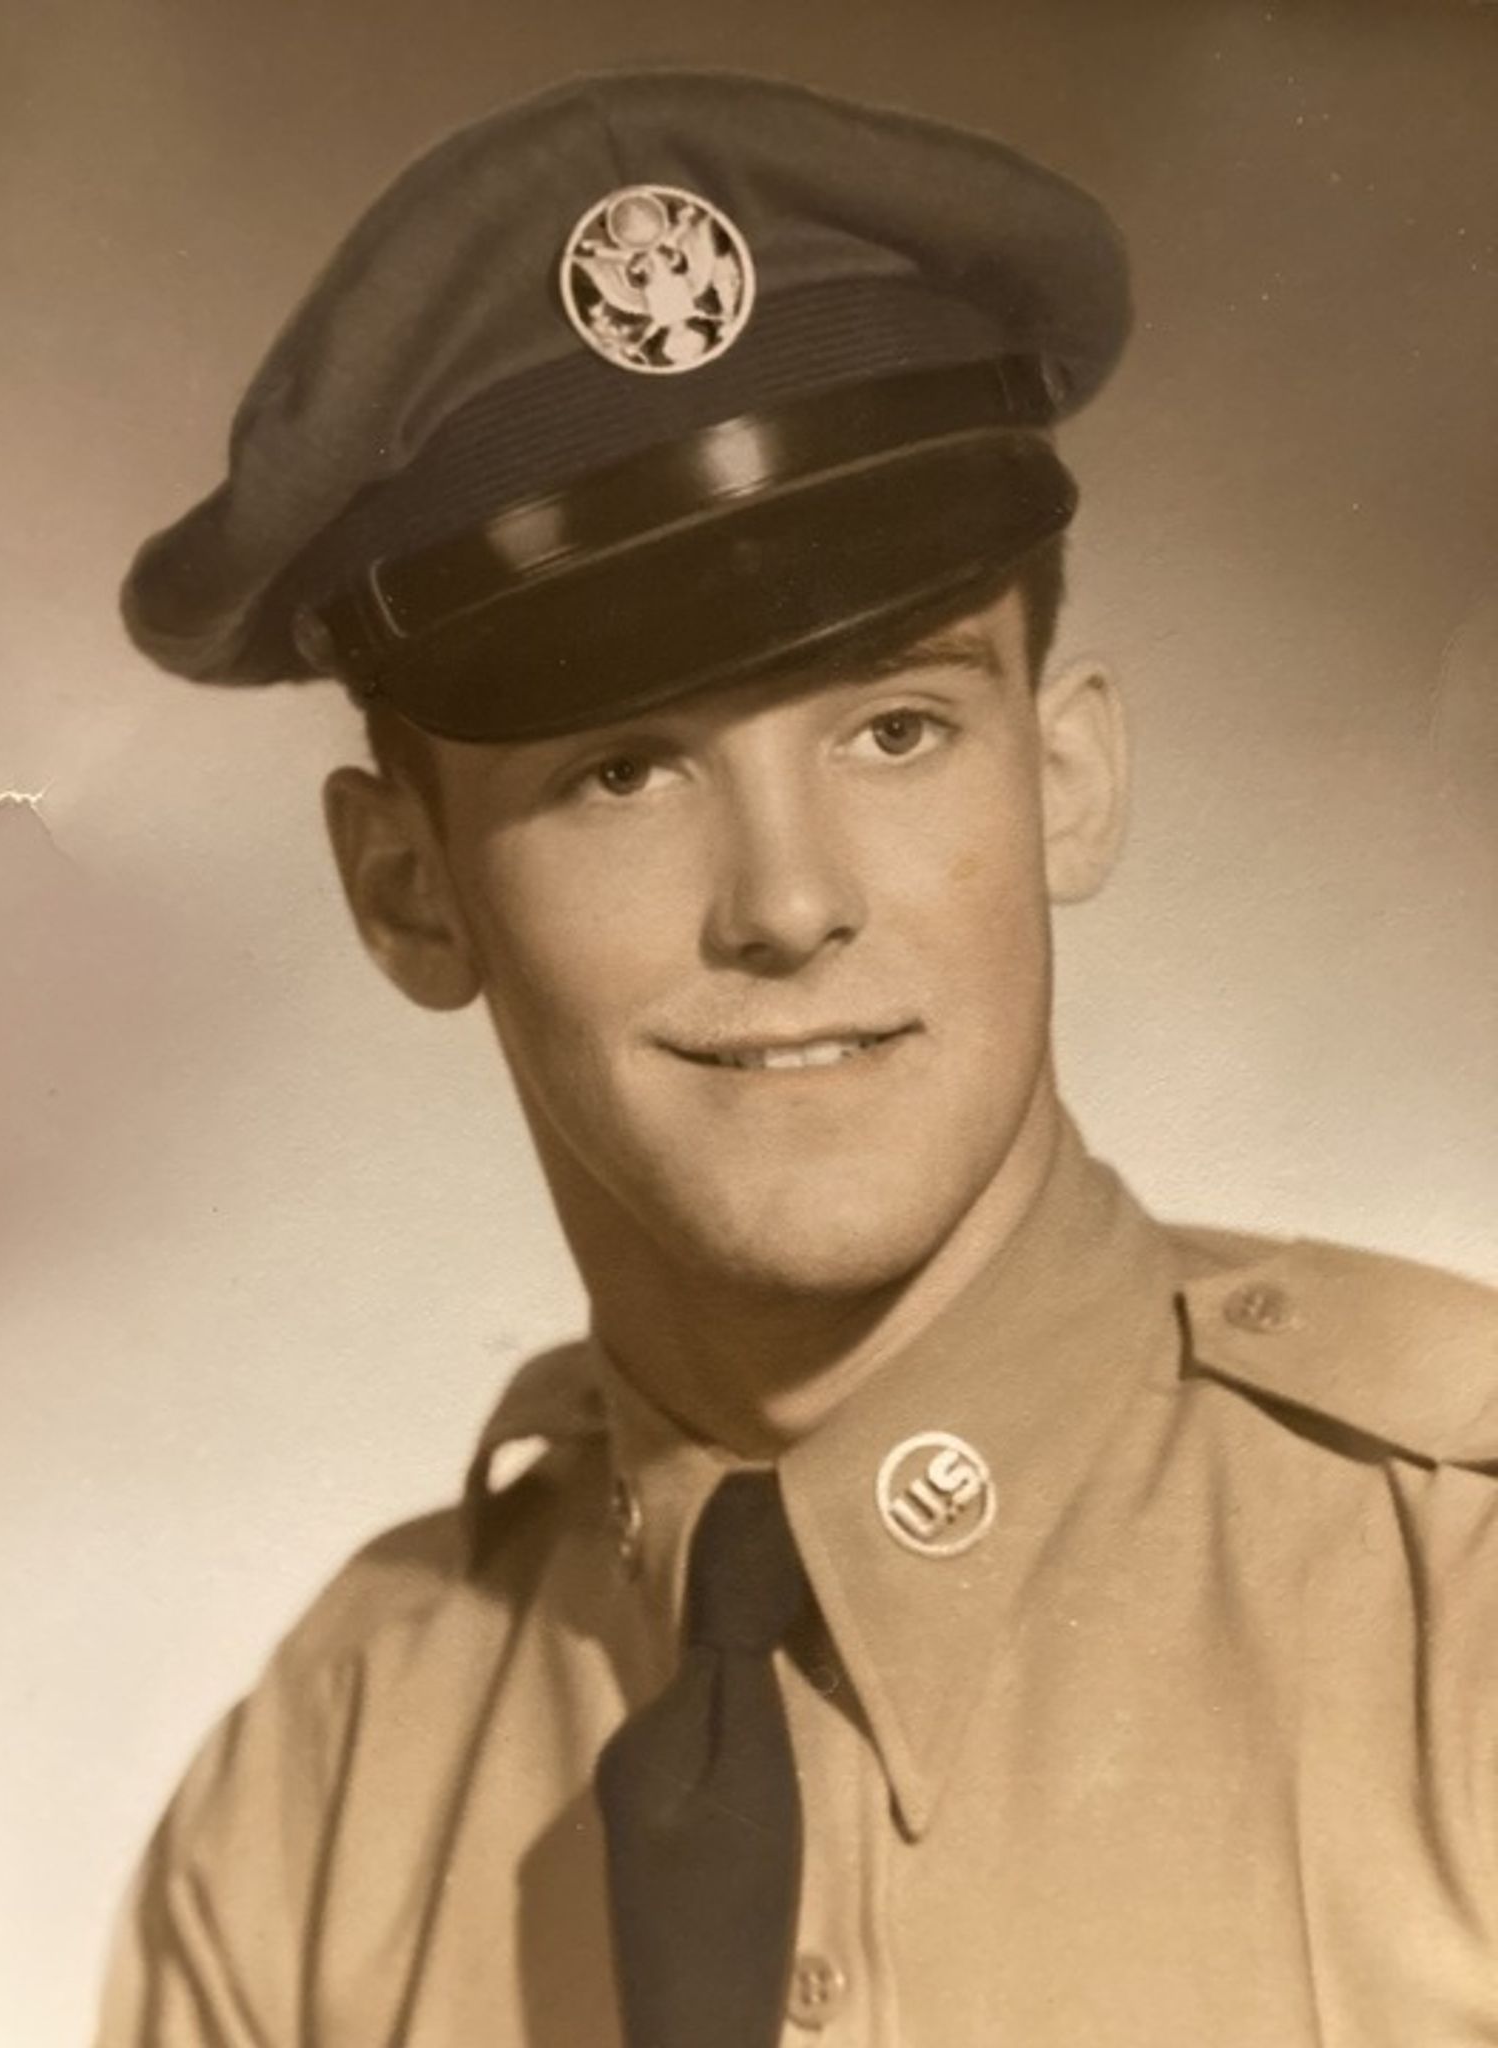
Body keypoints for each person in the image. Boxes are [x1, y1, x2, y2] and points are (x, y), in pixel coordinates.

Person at [97, 69, 1498, 2048]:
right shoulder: (318, 1801)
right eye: (622, 771)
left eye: (897, 729)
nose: (787, 900)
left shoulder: (1458, 1605)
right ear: (408, 892)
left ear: (1065, 776)